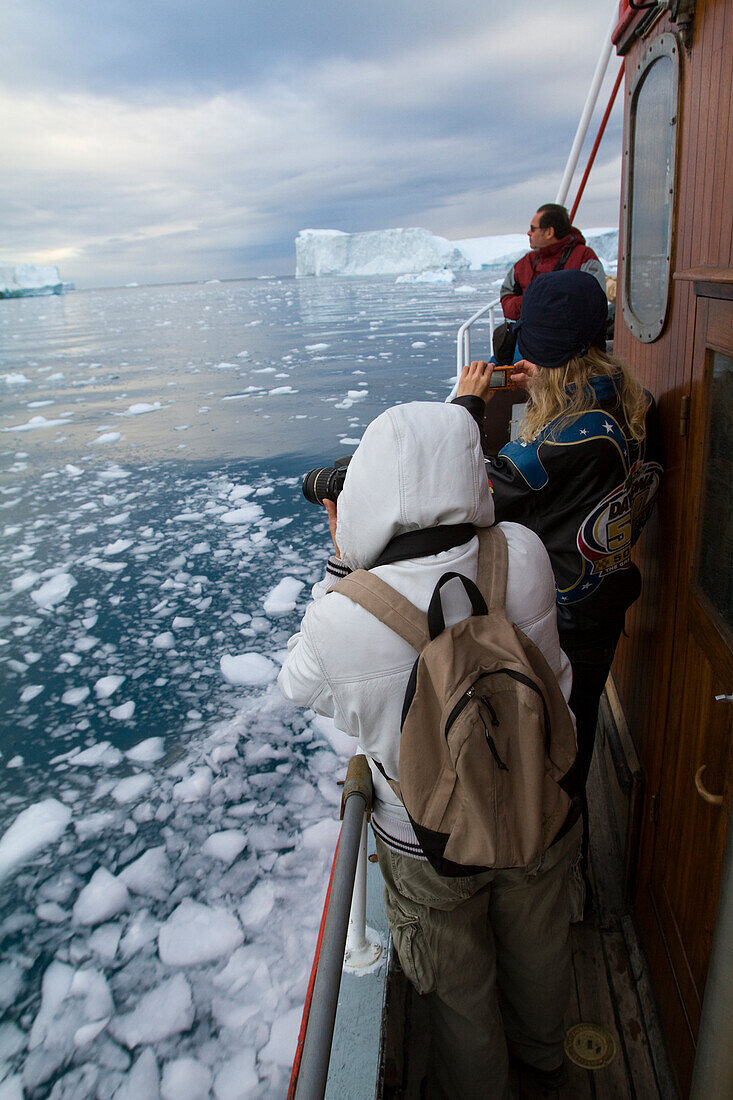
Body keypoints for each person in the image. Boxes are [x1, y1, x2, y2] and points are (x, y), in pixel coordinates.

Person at [278, 400, 583, 1099]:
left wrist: (341, 561)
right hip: (538, 799)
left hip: (426, 837)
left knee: (457, 987)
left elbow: (299, 686)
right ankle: (542, 1059)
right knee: (537, 949)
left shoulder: (342, 617)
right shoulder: (522, 552)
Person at [455, 269, 663, 840]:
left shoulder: (553, 445)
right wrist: (548, 380)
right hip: (607, 597)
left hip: (561, 618)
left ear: (543, 357)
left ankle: (553, 852)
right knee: (583, 726)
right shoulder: (634, 401)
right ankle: (573, 849)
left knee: (547, 743)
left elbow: (469, 489)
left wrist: (467, 406)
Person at [500, 203, 606, 321]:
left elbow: (595, 304)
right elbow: (506, 297)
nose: (528, 233)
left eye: (533, 229)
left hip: (572, 338)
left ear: (550, 232)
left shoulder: (584, 258)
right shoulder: (525, 263)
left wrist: (539, 305)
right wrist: (531, 304)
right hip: (531, 337)